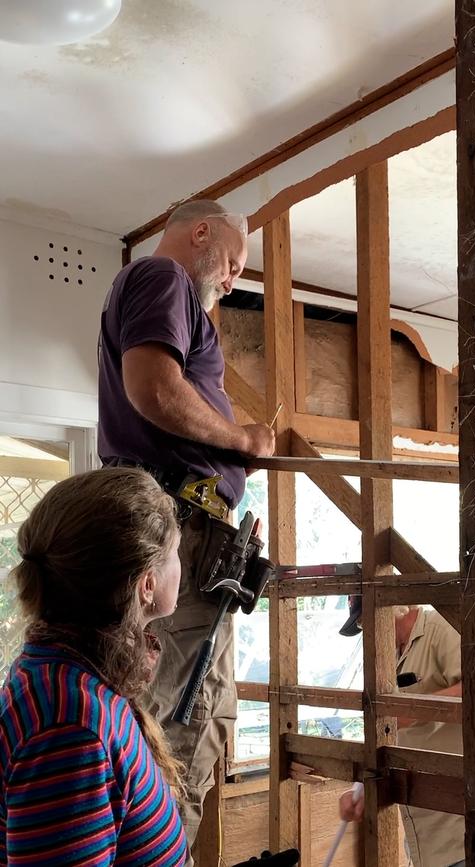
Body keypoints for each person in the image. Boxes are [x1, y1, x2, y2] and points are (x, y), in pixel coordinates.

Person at [97, 199, 276, 858]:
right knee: (174, 730)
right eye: (232, 261)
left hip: (194, 535)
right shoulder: (162, 279)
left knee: (200, 726)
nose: (231, 279)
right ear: (200, 231)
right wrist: (240, 437)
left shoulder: (168, 296)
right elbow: (153, 388)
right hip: (184, 531)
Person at [0, 467, 187, 865]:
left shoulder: (71, 672)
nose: (180, 565)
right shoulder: (70, 725)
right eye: (175, 553)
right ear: (147, 584)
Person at [338, 602, 465, 867]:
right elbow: (382, 729)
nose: (368, 631)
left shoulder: (440, 628)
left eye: (368, 620)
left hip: (457, 828)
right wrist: (358, 788)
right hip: (421, 830)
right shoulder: (386, 657)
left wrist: (412, 711)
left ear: (396, 607)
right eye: (363, 624)